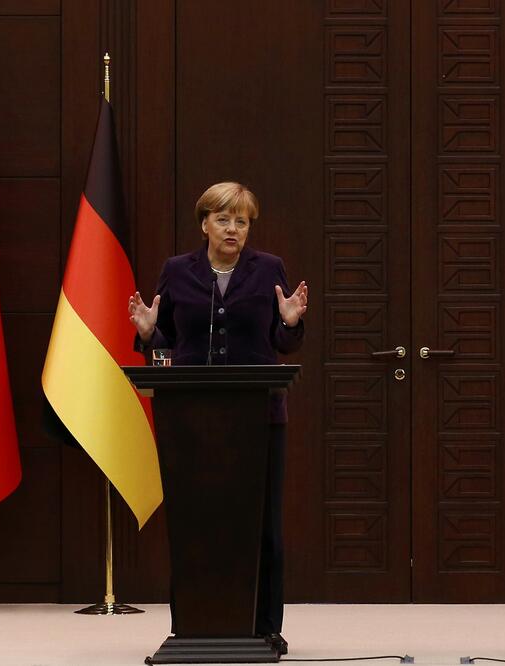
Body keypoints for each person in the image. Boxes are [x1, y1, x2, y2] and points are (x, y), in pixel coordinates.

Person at [128, 181, 307, 656]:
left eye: (241, 221)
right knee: (195, 521)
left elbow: (283, 342)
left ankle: (266, 626)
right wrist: (148, 332)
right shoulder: (177, 272)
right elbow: (164, 337)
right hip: (190, 420)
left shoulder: (268, 270)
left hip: (260, 417)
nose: (233, 229)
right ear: (204, 223)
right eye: (224, 219)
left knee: (263, 525)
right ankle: (193, 625)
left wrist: (288, 320)